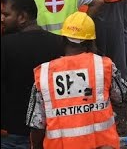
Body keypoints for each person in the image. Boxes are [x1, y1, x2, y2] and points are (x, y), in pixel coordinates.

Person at [27, 12, 120, 149]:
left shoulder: (45, 73)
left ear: (63, 39)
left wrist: (35, 146)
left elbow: (37, 123)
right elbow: (119, 96)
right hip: (102, 145)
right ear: (91, 42)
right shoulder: (104, 66)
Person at [1, 0, 65, 147]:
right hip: (52, 131)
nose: (2, 19)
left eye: (6, 15)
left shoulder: (5, 45)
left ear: (22, 17)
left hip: (12, 134)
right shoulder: (60, 44)